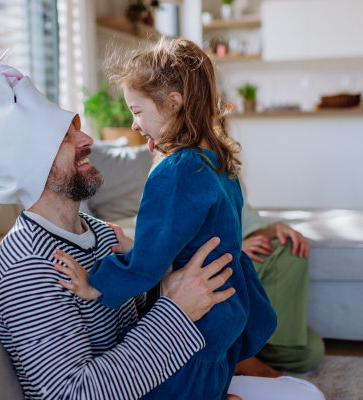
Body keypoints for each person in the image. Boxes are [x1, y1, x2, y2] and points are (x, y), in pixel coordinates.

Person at [54, 38, 323, 400]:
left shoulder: (177, 171)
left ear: (173, 103)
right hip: (229, 304)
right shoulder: (219, 163)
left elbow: (148, 263)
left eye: (137, 110)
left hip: (198, 315)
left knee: (172, 387)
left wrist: (93, 285)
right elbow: (201, 235)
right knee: (210, 372)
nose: (135, 125)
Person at [234, 180, 325, 378]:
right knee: (289, 253)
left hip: (240, 258)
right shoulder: (180, 171)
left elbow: (251, 229)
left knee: (311, 353)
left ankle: (247, 346)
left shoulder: (227, 170)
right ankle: (238, 355)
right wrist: (234, 249)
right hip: (219, 265)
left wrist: (276, 230)